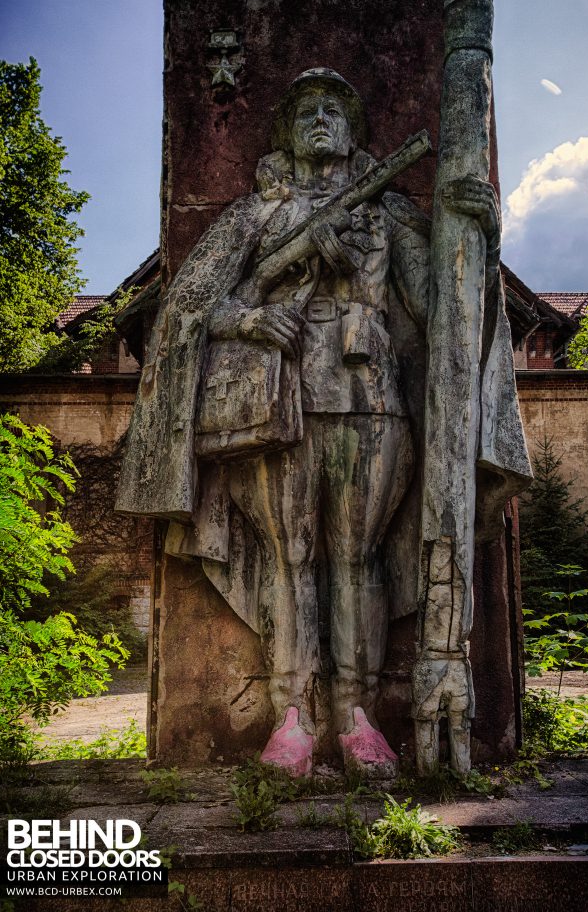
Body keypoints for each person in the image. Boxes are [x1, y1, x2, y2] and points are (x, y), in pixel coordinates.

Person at [116, 68, 504, 777]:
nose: (320, 119)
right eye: (306, 111)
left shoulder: (387, 214)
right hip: (273, 407)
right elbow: (187, 306)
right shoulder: (255, 216)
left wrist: (477, 233)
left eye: (335, 109)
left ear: (355, 132)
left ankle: (355, 716)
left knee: (355, 558)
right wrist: (253, 316)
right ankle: (292, 716)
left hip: (370, 399)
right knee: (289, 558)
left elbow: (441, 307)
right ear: (286, 133)